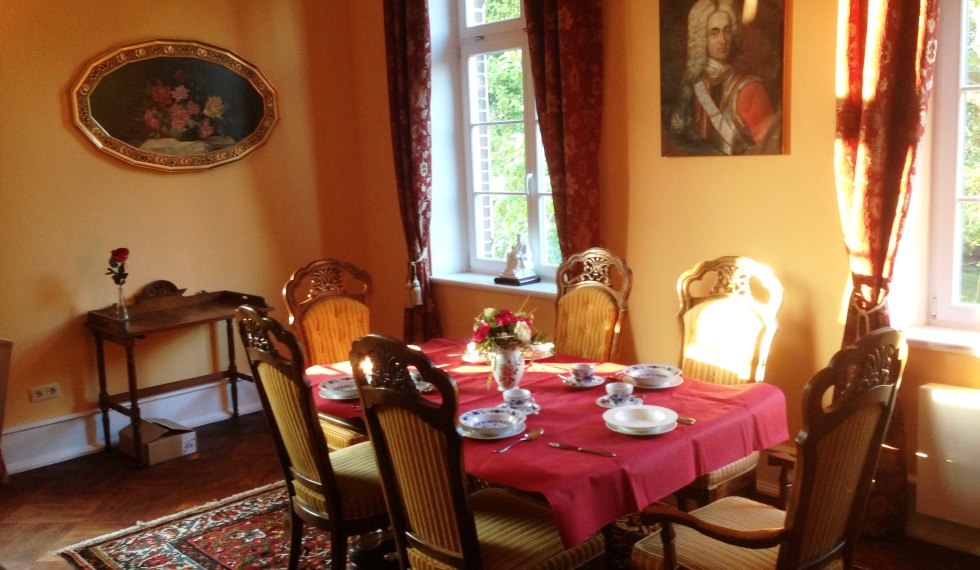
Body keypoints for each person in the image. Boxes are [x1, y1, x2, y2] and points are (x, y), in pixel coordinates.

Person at [668, 0, 779, 155]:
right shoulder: (688, 89)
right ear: (701, 38)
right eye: (714, 33)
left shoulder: (750, 89)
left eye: (727, 31)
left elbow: (771, 148)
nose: (723, 40)